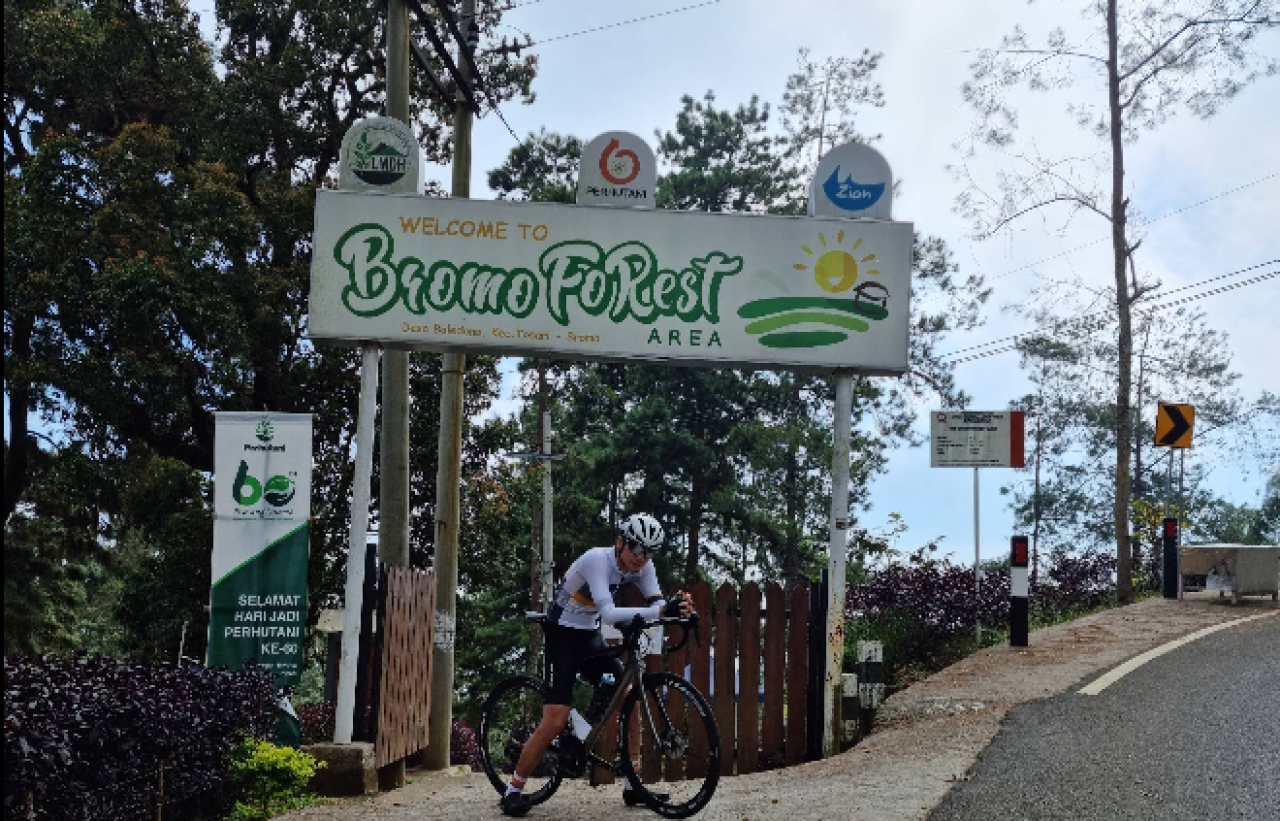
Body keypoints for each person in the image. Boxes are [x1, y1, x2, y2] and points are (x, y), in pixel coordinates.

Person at [500, 513, 694, 816]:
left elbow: (657, 602)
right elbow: (610, 613)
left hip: (588, 634)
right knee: (555, 719)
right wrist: (660, 611)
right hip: (562, 633)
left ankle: (633, 785)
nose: (642, 558)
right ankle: (513, 790)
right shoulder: (596, 560)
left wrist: (678, 608)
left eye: (649, 552)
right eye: (637, 549)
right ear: (620, 542)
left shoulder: (642, 565)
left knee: (628, 697)